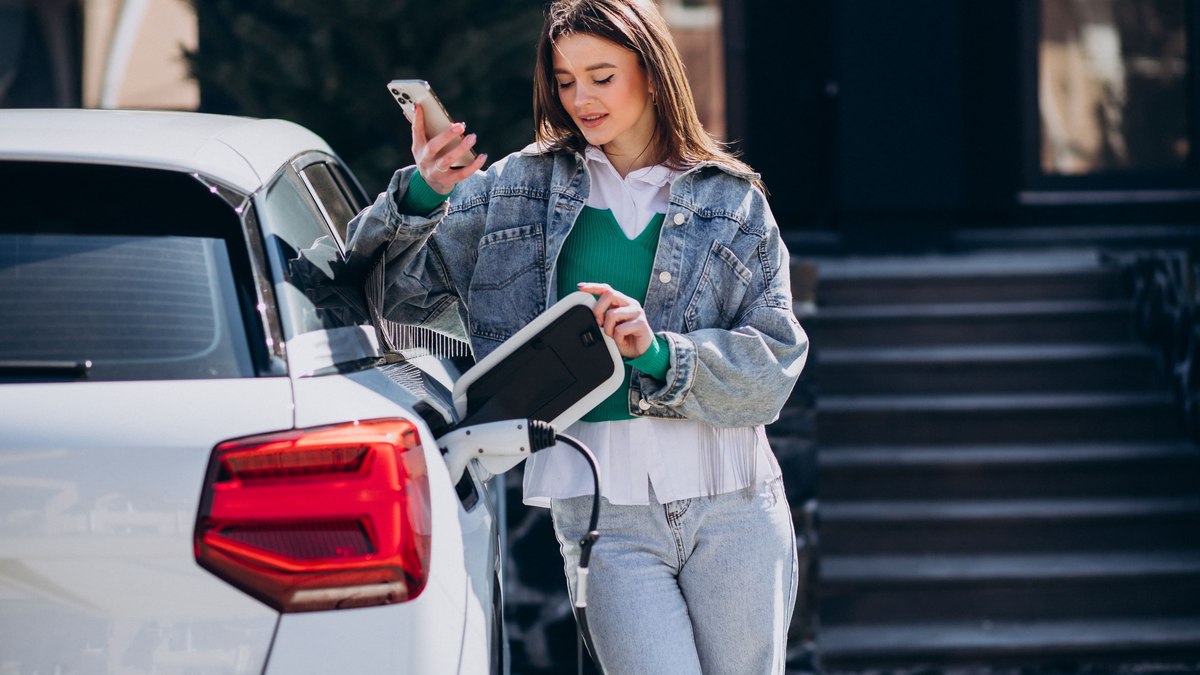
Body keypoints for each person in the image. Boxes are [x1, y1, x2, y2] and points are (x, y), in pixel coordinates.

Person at [345, 0, 808, 671]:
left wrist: (656, 354)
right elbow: (391, 294)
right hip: (608, 521)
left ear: (650, 74)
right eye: (565, 81)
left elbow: (775, 365)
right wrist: (422, 194)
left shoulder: (730, 201)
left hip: (734, 506)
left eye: (601, 75)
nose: (581, 98)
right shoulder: (516, 190)